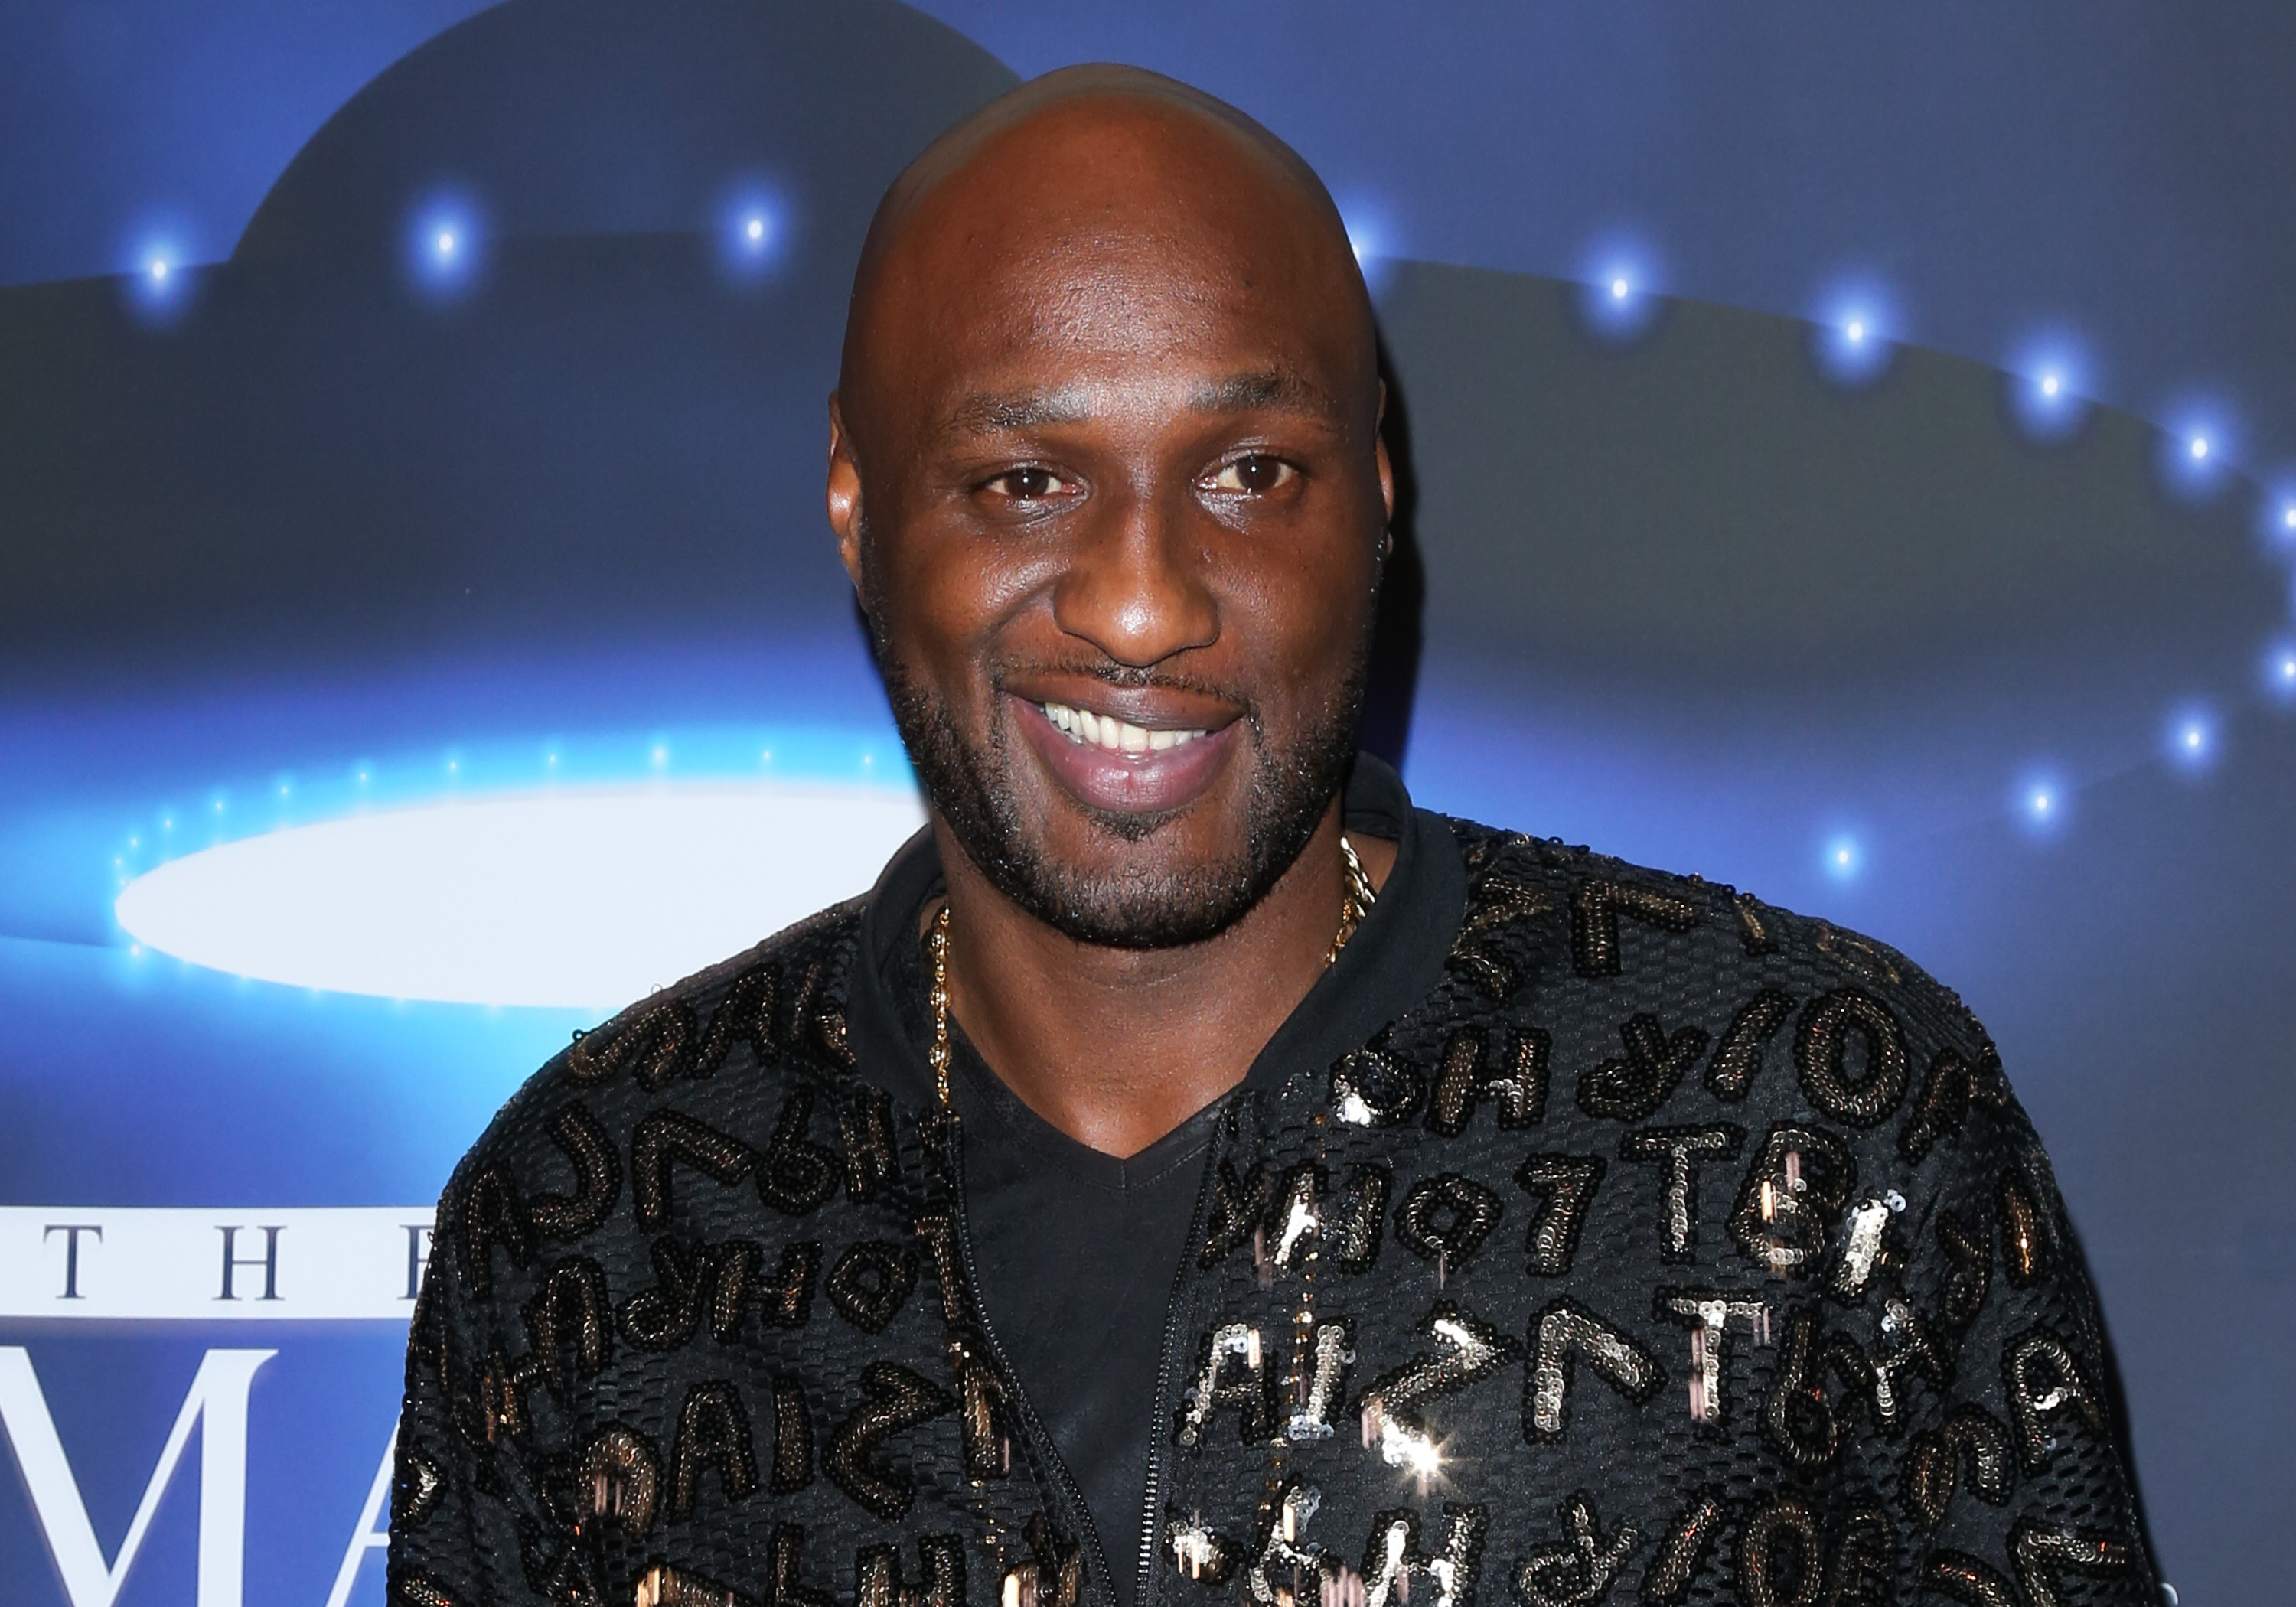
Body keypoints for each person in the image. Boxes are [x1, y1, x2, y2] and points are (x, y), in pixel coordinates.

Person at [389, 65, 2157, 1607]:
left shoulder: (1816, 1115)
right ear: (860, 506)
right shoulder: (597, 1214)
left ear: (1375, 497)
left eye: (1248, 473)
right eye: (1026, 482)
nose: (1143, 601)